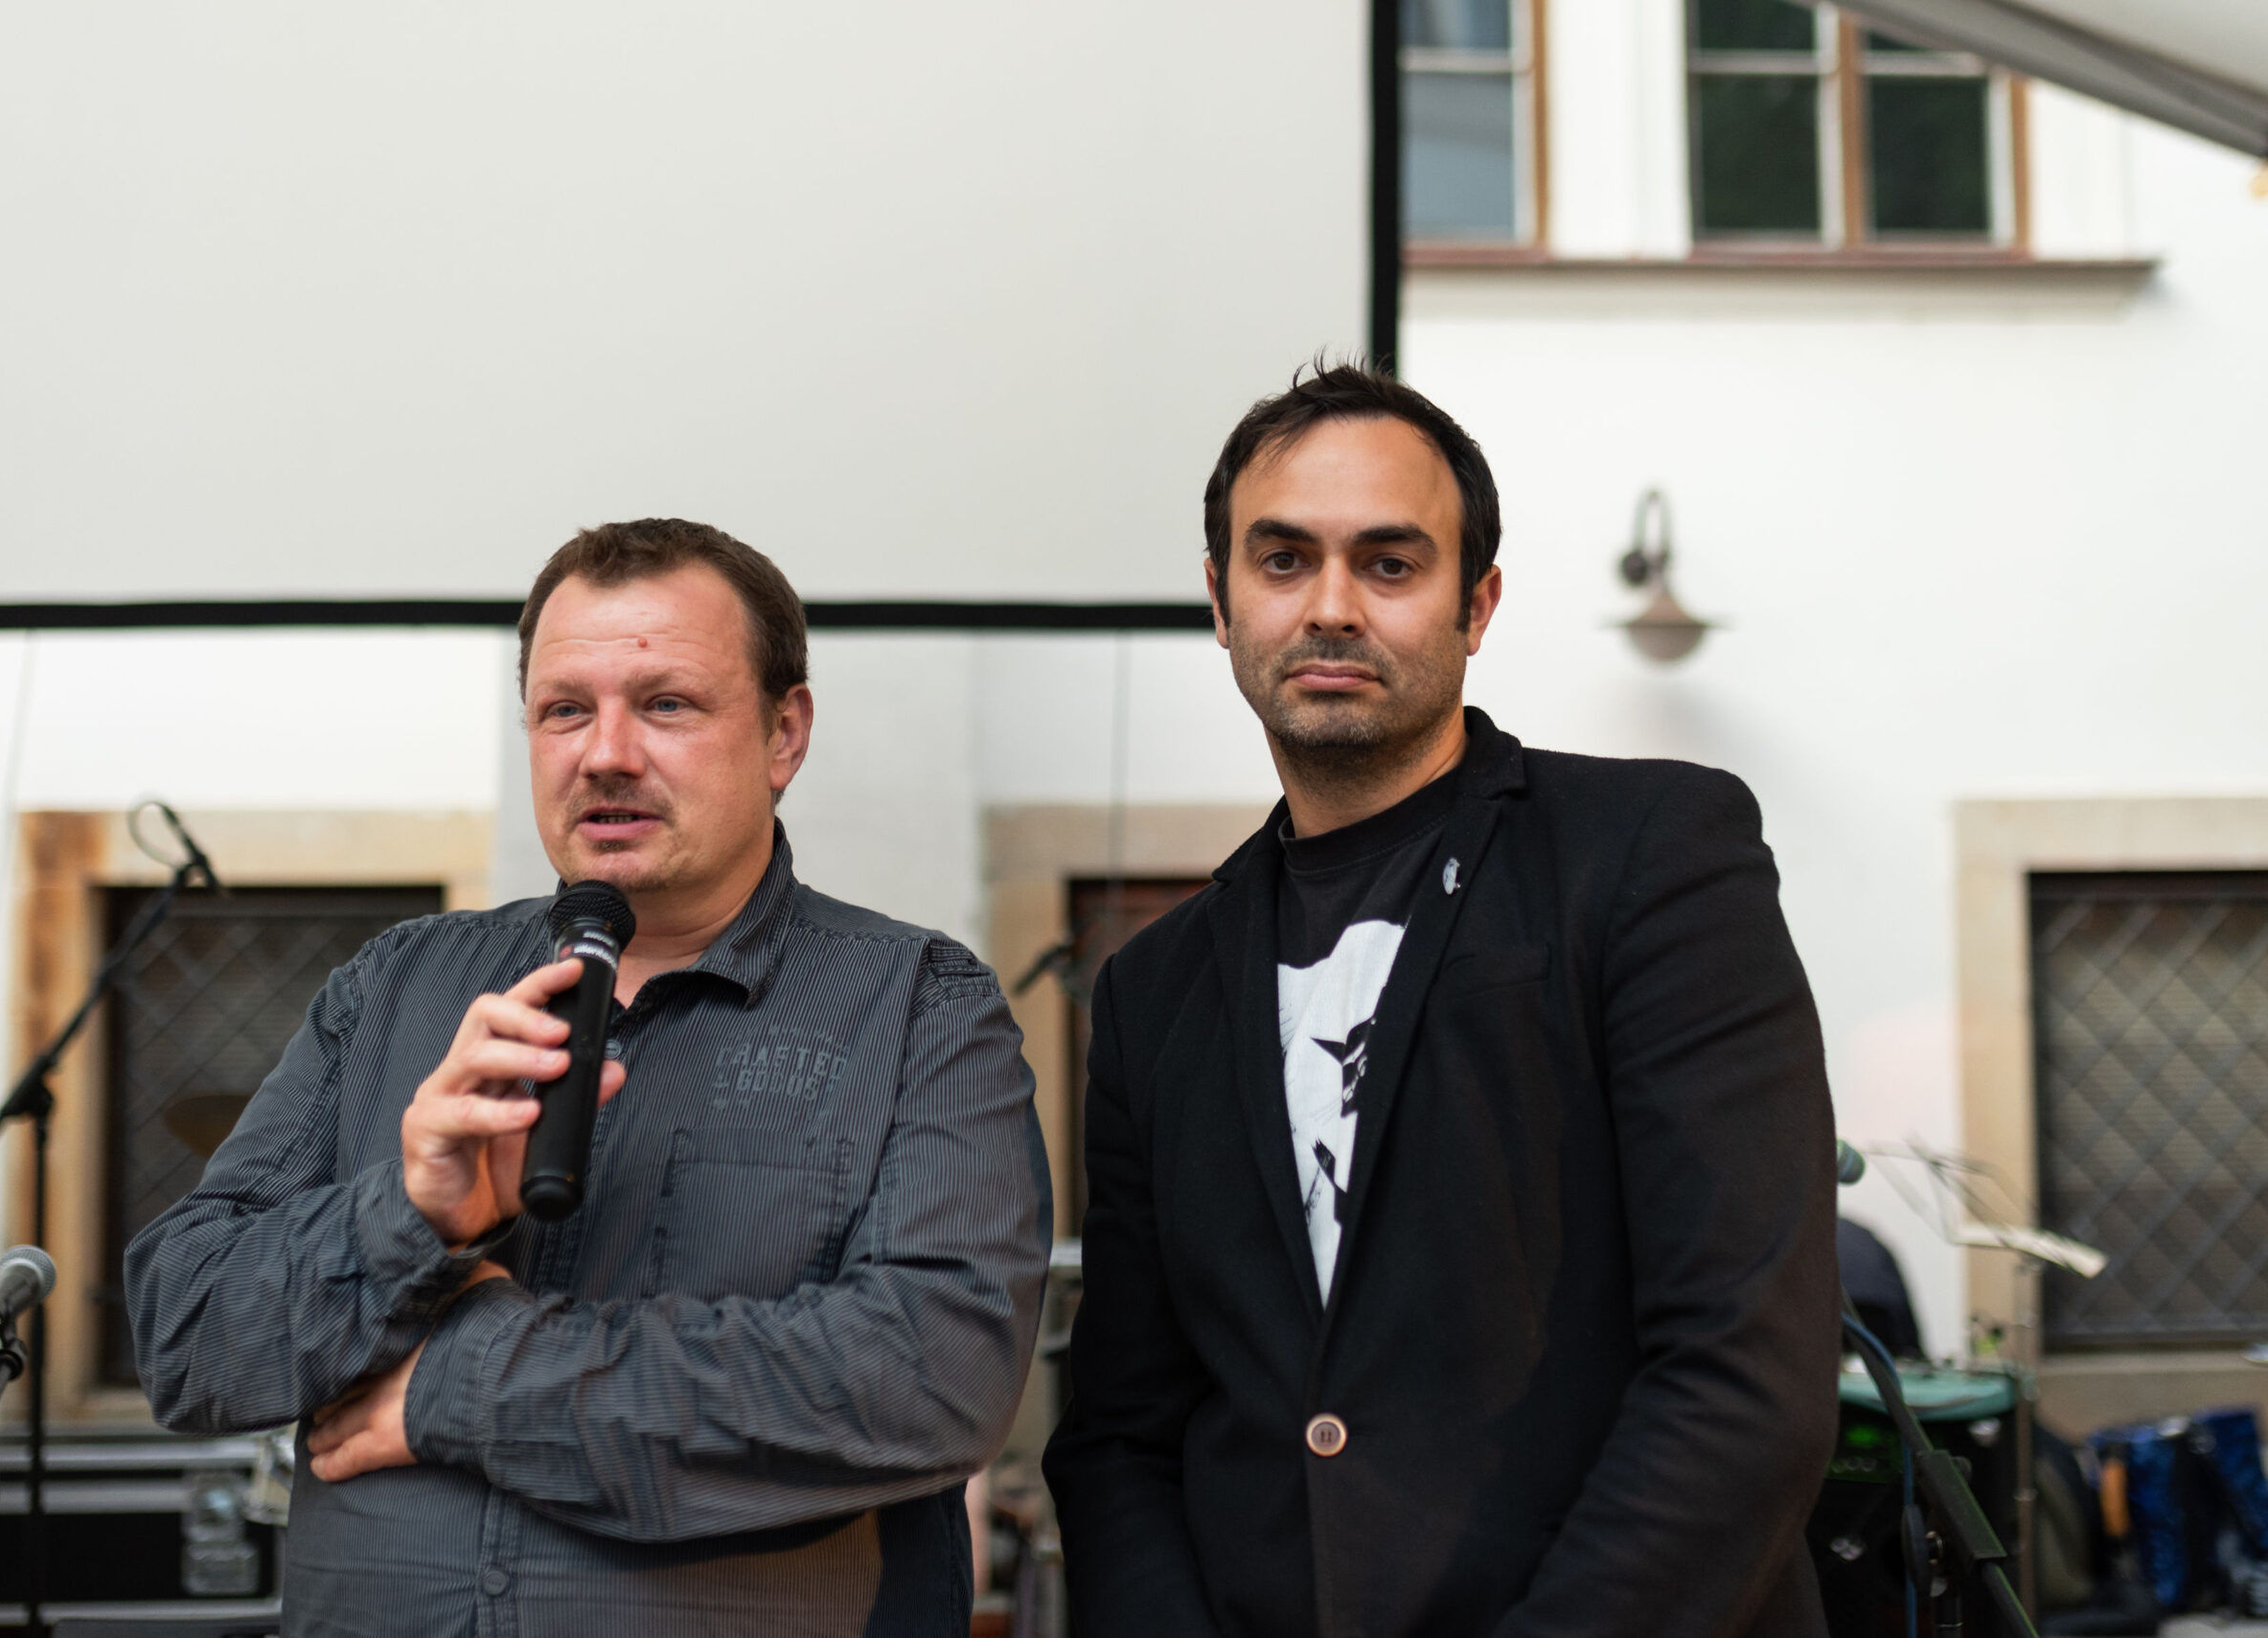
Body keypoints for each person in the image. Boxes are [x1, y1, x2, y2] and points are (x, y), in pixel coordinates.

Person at [128, 519, 1049, 1638]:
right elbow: (184, 1339)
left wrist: (457, 1379)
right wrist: (409, 1214)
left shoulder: (917, 1007)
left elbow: (927, 1377)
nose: (604, 752)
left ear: (784, 733)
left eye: (666, 704)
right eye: (565, 708)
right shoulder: (393, 987)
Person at [1042, 363, 1840, 1637]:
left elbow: (1743, 1375)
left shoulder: (1651, 855)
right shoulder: (1154, 987)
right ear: (1222, 602)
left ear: (1478, 603)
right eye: (1283, 559)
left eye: (1390, 563)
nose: (1332, 606)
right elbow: (1123, 1434)